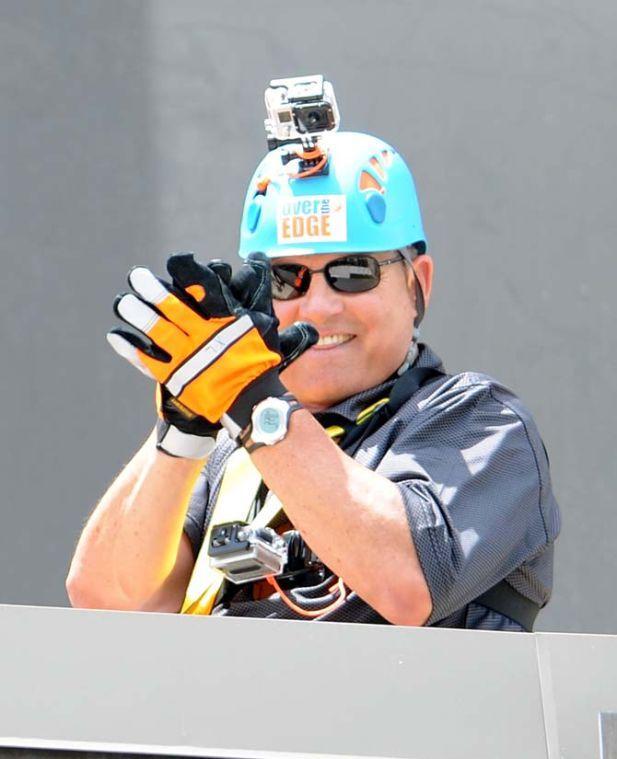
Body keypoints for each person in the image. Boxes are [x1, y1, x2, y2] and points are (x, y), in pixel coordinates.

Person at [66, 131, 560, 630]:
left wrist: (253, 400)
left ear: (418, 285)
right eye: (286, 278)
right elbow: (107, 600)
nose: (319, 307)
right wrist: (183, 431)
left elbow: (405, 583)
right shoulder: (231, 455)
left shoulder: (481, 423)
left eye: (353, 272)